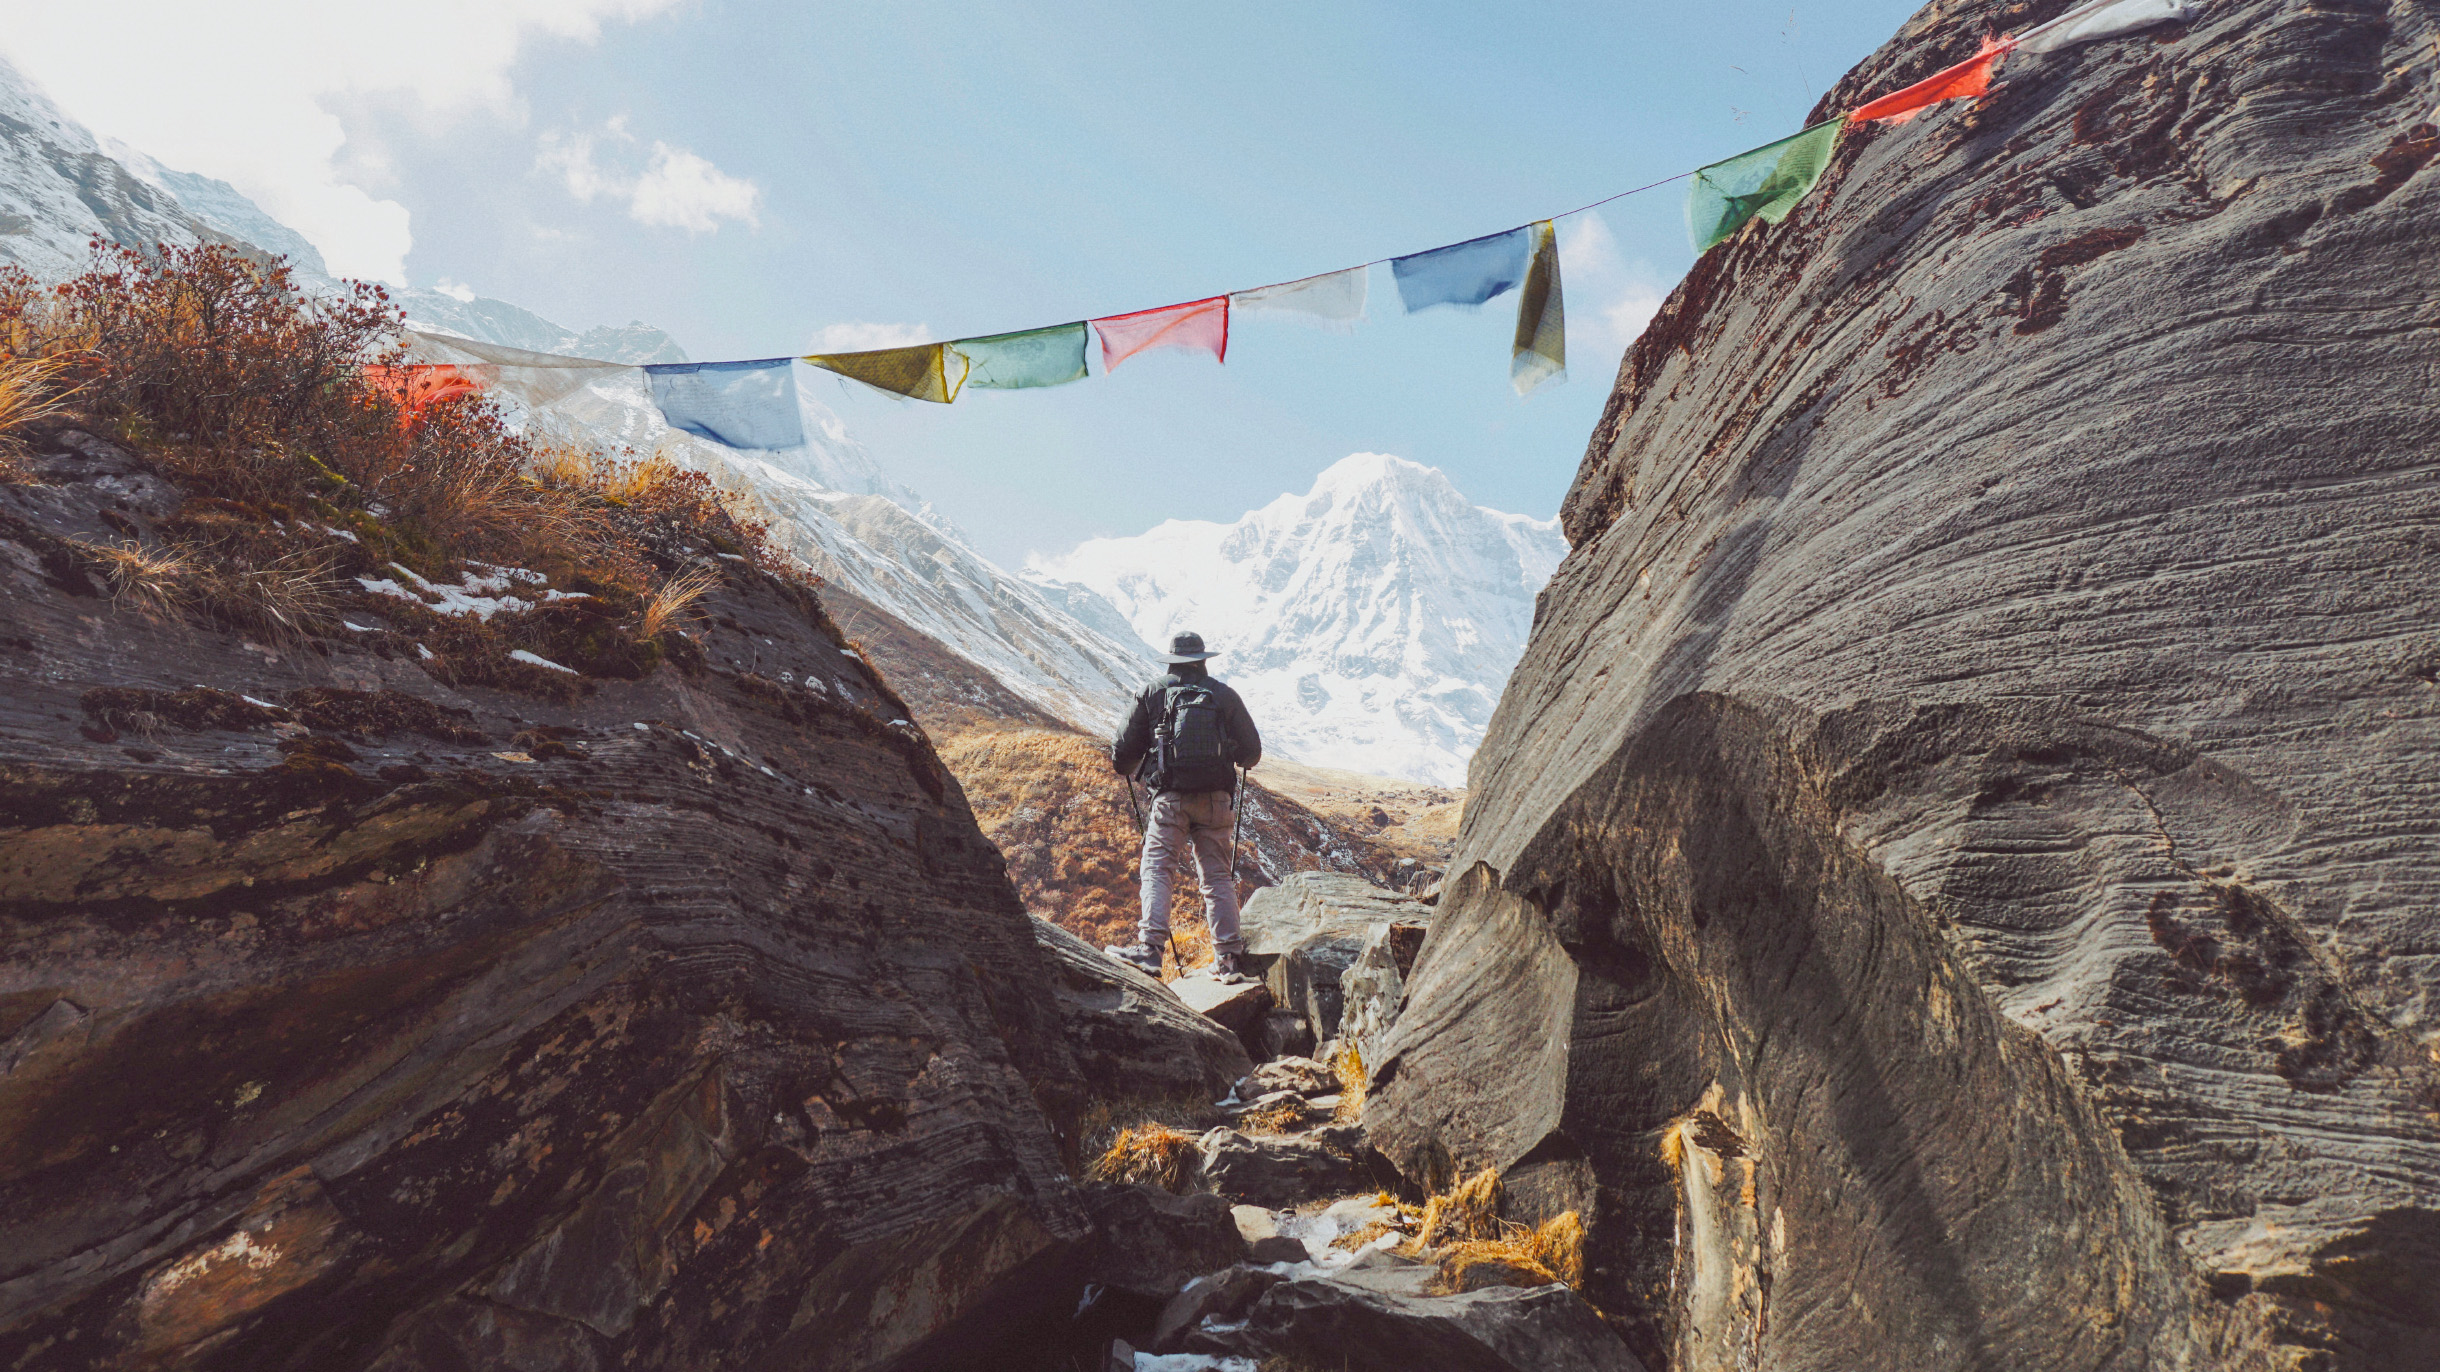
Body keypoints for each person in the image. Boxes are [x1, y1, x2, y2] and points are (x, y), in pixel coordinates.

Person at [1106, 631, 1262, 980]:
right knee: (1217, 876)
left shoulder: (1152, 693)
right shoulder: (1223, 695)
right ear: (1204, 659)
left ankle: (1150, 951)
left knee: (1159, 869)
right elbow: (1252, 753)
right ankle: (1229, 960)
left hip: (1170, 801)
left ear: (1172, 660)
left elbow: (1121, 758)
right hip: (1216, 802)